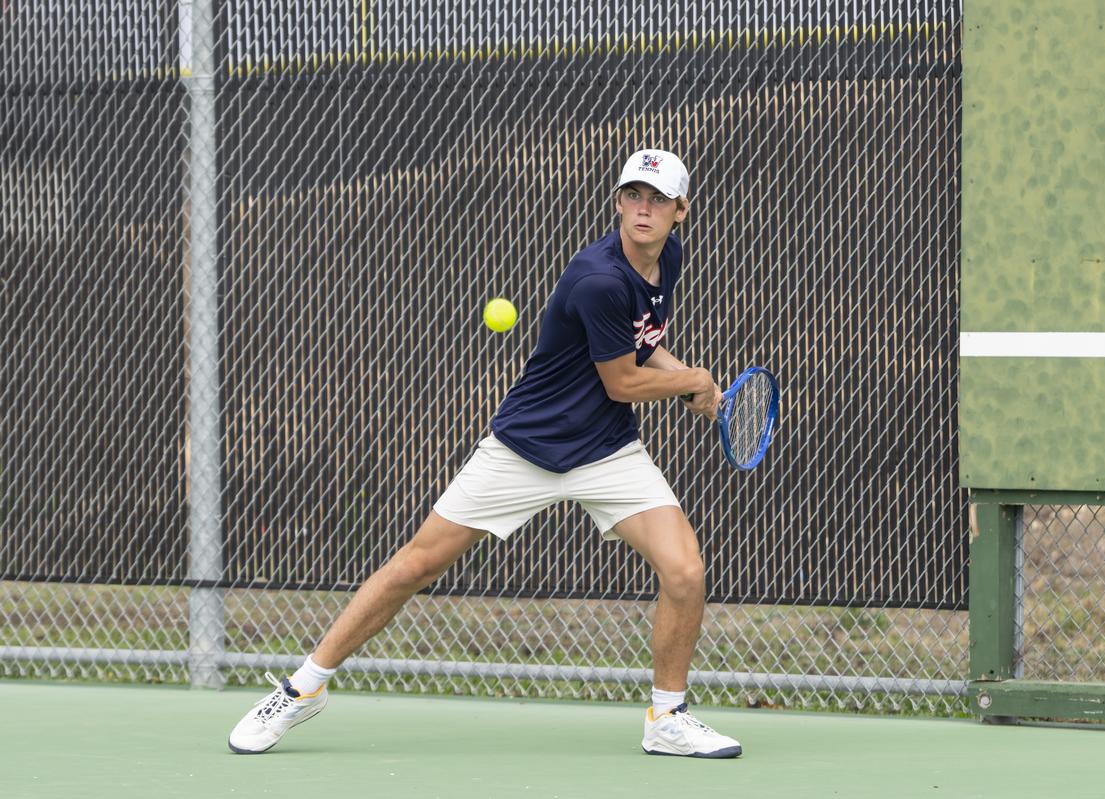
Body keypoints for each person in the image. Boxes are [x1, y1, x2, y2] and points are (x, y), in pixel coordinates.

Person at [228, 149, 741, 759]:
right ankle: (301, 689)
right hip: (525, 448)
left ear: (681, 211)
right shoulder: (600, 277)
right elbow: (622, 383)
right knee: (416, 566)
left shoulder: (667, 259)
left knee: (684, 571)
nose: (643, 209)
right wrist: (693, 381)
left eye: (658, 200)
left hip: (606, 450)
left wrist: (687, 379)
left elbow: (641, 346)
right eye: (634, 195)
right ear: (618, 201)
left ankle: (668, 717)